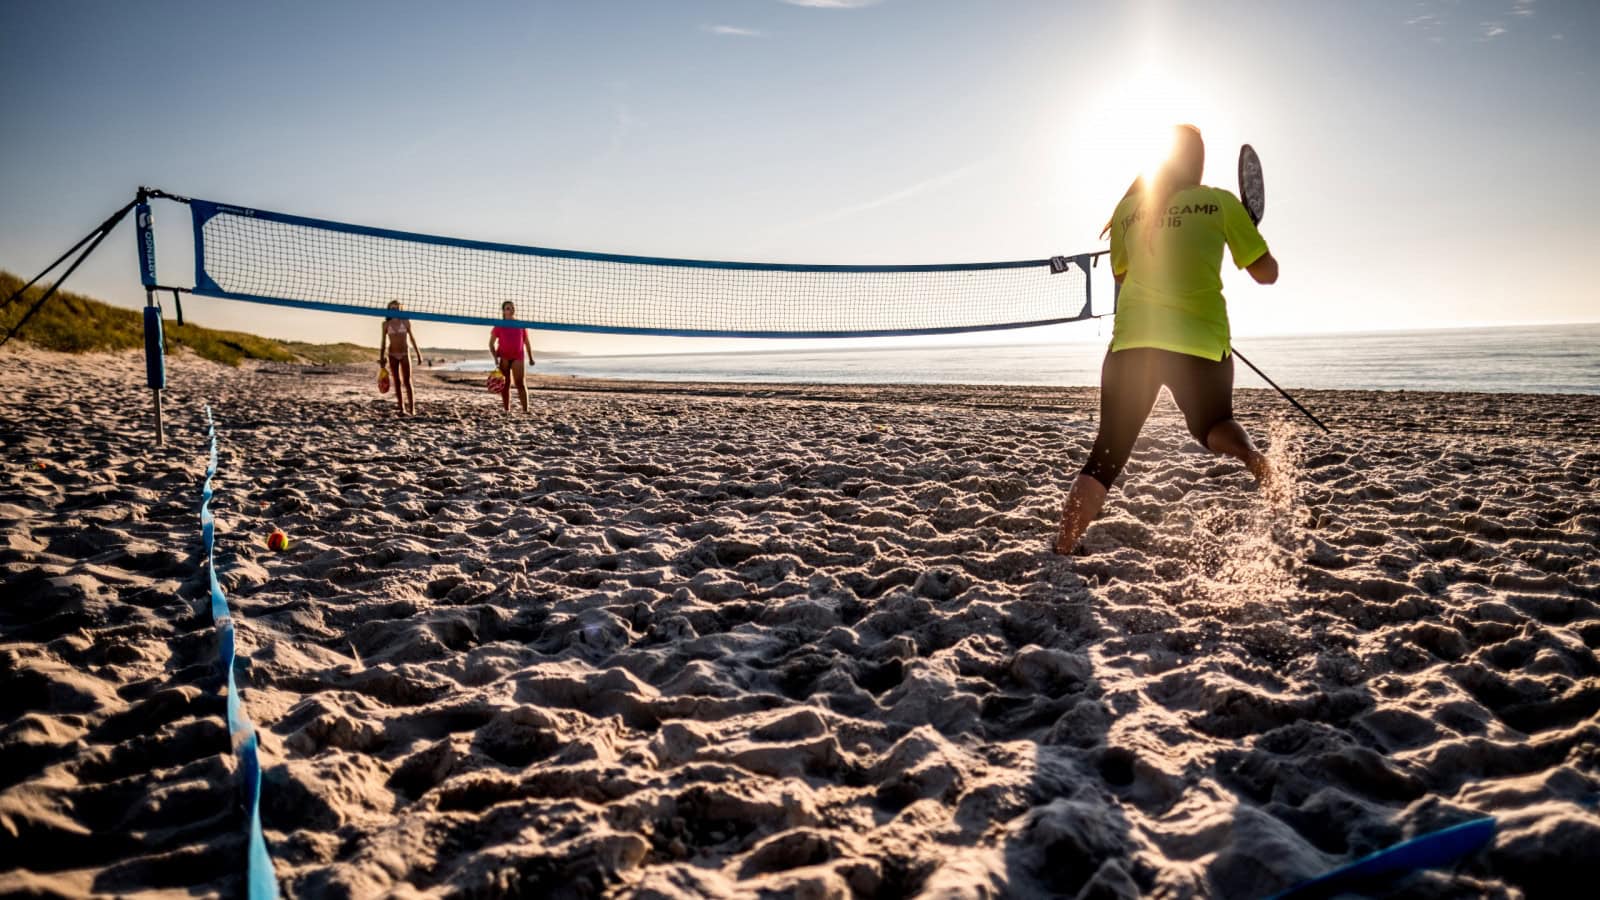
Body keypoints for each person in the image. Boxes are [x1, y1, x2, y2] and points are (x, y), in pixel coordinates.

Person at [1054, 124, 1280, 555]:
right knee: (1212, 424)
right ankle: (1251, 457)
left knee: (1107, 452)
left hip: (1134, 343)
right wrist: (1251, 231)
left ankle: (1062, 548)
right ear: (1198, 162)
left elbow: (1123, 275)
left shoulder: (1128, 210)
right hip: (1200, 341)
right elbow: (1266, 274)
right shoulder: (1219, 203)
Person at [489, 300, 535, 413]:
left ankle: (526, 410)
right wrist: (495, 358)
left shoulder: (520, 324)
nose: (511, 310)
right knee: (506, 384)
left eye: (512, 308)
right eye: (508, 308)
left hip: (518, 356)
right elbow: (491, 344)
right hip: (504, 357)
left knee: (520, 383)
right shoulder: (499, 325)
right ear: (503, 311)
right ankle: (506, 410)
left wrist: (531, 358)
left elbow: (527, 342)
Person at [379, 300, 422, 416]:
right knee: (397, 382)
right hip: (392, 354)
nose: (395, 310)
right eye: (392, 308)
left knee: (407, 381)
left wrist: (418, 354)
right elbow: (383, 342)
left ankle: (412, 409)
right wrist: (381, 357)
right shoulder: (385, 324)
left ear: (400, 310)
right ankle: (401, 409)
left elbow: (412, 339)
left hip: (404, 353)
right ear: (389, 310)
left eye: (397, 308)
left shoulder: (406, 322)